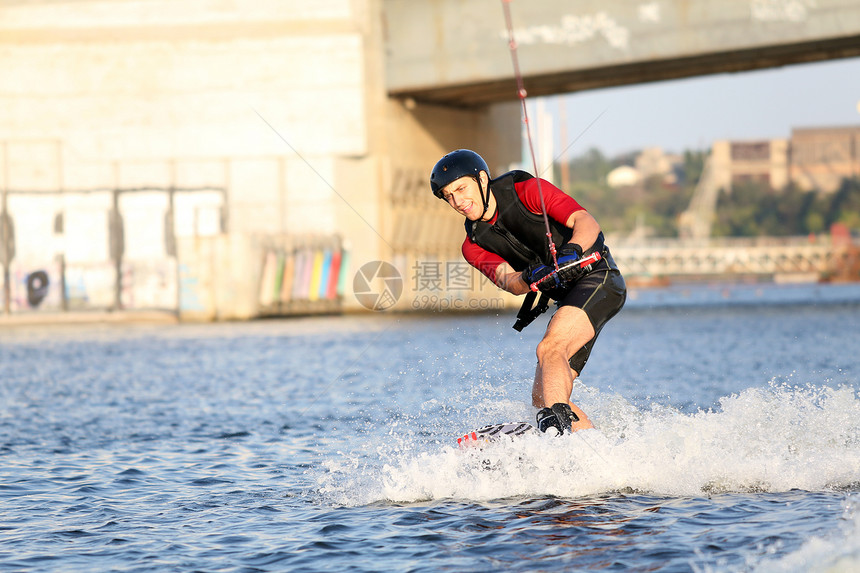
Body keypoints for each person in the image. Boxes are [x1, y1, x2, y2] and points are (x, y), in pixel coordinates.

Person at [429, 149, 626, 435]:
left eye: (461, 188)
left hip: (599, 277)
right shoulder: (472, 245)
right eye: (448, 196)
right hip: (568, 298)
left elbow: (586, 222)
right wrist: (530, 276)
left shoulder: (527, 191)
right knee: (541, 397)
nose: (457, 201)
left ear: (482, 179)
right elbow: (509, 281)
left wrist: (572, 251)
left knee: (550, 347)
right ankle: (594, 450)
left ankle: (558, 431)